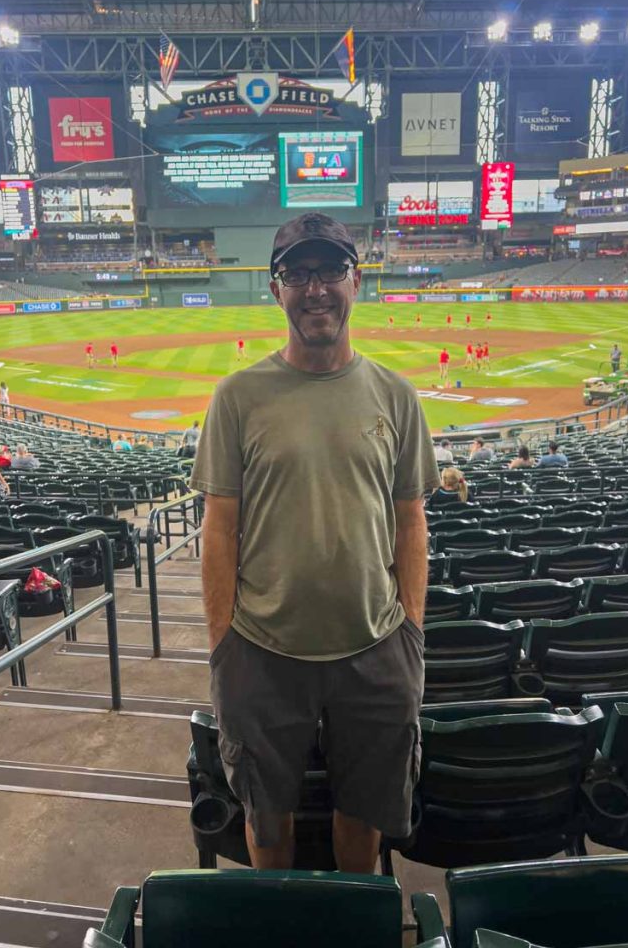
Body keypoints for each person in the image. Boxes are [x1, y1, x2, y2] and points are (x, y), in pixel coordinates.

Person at [191, 211, 438, 872]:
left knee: (362, 826)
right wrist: (223, 645)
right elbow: (219, 528)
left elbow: (411, 520)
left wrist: (410, 633)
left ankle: (348, 926)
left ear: (356, 280)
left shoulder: (396, 396)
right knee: (267, 830)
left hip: (377, 649)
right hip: (262, 655)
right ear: (277, 290)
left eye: (329, 270)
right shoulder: (237, 397)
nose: (315, 288)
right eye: (297, 274)